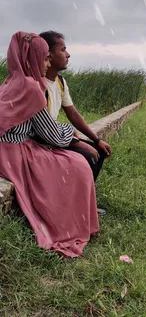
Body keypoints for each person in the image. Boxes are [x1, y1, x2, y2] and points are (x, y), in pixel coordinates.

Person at [0, 31, 99, 258]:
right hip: (15, 153)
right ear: (31, 58)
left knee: (74, 160)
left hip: (4, 150)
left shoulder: (10, 82)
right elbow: (52, 134)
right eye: (44, 58)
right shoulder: (32, 87)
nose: (46, 64)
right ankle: (69, 220)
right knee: (78, 164)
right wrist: (71, 132)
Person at [39, 30, 112, 183]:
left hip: (54, 135)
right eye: (63, 49)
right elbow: (43, 129)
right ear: (48, 54)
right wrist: (75, 141)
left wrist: (97, 140)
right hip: (43, 140)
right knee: (88, 156)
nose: (68, 55)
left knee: (99, 151)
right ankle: (75, 203)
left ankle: (87, 201)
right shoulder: (38, 85)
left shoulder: (60, 82)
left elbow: (72, 113)